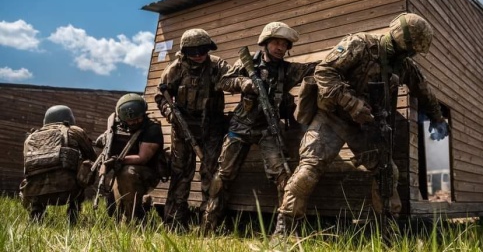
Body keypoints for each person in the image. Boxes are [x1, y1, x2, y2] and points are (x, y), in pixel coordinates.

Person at [273, 12, 450, 236]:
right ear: (401, 41)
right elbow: (324, 72)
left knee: (388, 173)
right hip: (332, 119)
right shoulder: (359, 45)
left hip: (366, 127)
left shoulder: (403, 65)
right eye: (411, 48)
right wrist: (351, 102)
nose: (412, 53)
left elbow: (424, 91)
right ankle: (284, 228)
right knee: (307, 171)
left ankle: (387, 232)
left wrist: (437, 118)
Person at [204, 22, 318, 233]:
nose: (280, 48)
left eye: (285, 45)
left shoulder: (288, 70)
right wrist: (244, 83)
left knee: (283, 175)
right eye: (276, 42)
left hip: (268, 128)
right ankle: (209, 223)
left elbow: (315, 68)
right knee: (222, 175)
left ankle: (284, 231)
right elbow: (223, 82)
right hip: (240, 126)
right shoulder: (247, 63)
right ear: (265, 43)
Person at [154, 28, 230, 232]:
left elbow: (234, 80)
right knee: (180, 174)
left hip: (212, 128)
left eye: (202, 50)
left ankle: (210, 223)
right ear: (185, 51)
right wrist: (171, 115)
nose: (198, 55)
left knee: (211, 172)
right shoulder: (175, 68)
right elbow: (161, 95)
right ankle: (175, 223)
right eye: (193, 51)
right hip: (183, 128)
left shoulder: (218, 65)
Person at [20, 105, 97, 224]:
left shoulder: (30, 137)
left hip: (33, 192)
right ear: (69, 118)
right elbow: (92, 157)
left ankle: (36, 215)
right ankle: (73, 216)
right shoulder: (75, 131)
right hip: (68, 191)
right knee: (86, 168)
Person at [95, 93, 165, 221]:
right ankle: (140, 209)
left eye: (137, 119)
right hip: (119, 169)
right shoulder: (115, 125)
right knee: (114, 211)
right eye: (130, 120)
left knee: (127, 173)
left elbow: (142, 158)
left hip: (147, 172)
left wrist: (118, 160)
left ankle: (132, 220)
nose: (134, 122)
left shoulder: (152, 128)